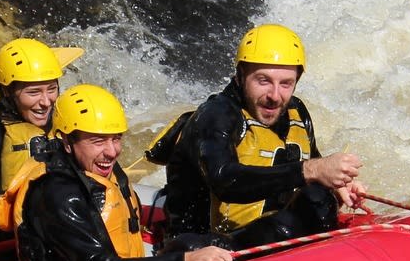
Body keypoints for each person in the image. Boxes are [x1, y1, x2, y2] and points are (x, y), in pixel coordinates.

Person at [150, 24, 362, 249]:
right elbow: (225, 180)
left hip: (265, 231)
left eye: (286, 84)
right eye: (263, 81)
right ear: (241, 76)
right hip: (203, 246)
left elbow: (311, 163)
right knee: (299, 213)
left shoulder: (296, 111)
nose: (274, 96)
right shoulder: (216, 115)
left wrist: (336, 183)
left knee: (318, 197)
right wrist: (313, 171)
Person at [2, 85, 232, 261]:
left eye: (116, 138)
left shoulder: (99, 168)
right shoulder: (57, 193)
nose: (112, 152)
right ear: (66, 141)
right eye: (98, 141)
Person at [0, 37, 64, 214]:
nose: (46, 102)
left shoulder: (67, 123)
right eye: (34, 92)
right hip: (18, 226)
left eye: (52, 89)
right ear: (7, 91)